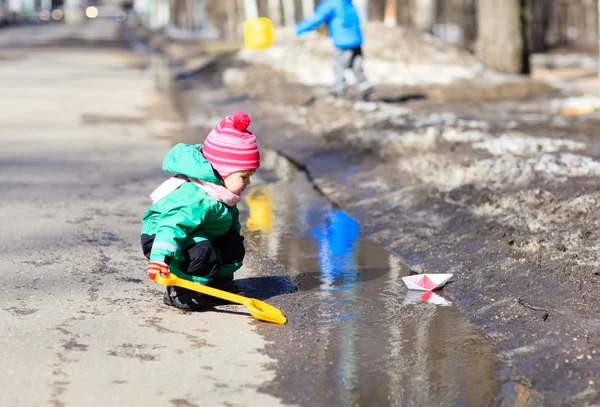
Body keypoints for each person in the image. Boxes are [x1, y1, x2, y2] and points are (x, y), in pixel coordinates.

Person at [141, 111, 260, 311]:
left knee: (232, 242)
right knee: (200, 252)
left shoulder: (221, 192)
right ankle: (180, 290)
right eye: (244, 176)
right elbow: (171, 226)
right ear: (222, 172)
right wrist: (159, 259)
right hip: (162, 236)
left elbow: (230, 223)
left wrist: (232, 243)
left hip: (198, 232)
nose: (249, 182)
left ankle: (217, 283)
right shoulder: (195, 198)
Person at [296, 0, 374, 101]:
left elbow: (318, 17)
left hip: (343, 41)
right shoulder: (348, 2)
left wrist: (299, 29)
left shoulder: (331, 2)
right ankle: (365, 85)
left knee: (339, 66)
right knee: (356, 65)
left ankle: (338, 90)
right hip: (356, 39)